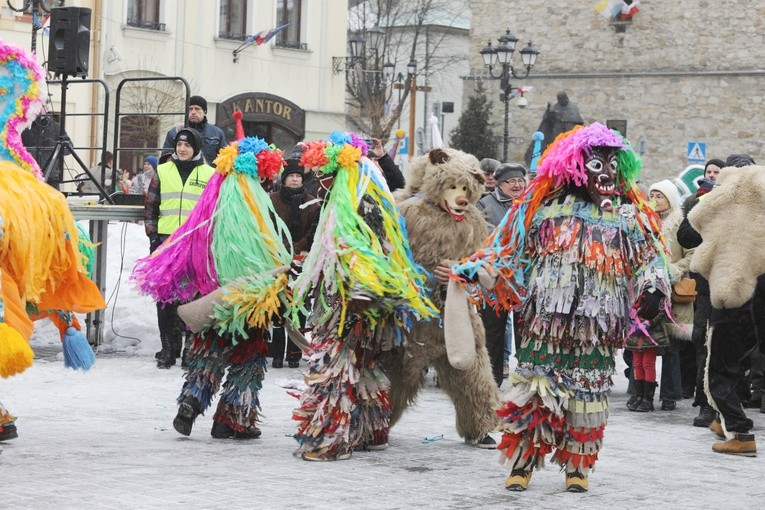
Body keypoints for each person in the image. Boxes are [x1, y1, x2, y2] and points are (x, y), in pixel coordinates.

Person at [452, 123, 671, 492]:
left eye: (612, 166)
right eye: (596, 166)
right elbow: (509, 250)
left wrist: (654, 287)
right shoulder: (544, 211)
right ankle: (521, 464)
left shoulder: (628, 216)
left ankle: (578, 467)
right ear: (574, 168)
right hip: (543, 324)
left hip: (597, 330)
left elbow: (652, 256)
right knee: (533, 394)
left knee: (588, 399)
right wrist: (477, 269)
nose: (606, 175)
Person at [133, 134, 293, 440]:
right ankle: (231, 420)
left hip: (211, 293)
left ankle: (192, 400)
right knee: (250, 354)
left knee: (208, 349)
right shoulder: (256, 211)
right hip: (248, 299)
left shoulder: (210, 209)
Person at [291, 134, 436, 461]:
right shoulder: (357, 201)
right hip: (362, 301)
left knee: (334, 367)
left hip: (350, 304)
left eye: (323, 175)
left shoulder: (356, 204)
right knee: (365, 366)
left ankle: (330, 440)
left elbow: (366, 253)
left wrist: (352, 283)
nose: (319, 182)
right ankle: (372, 432)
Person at [685, 155, 764, 456]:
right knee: (739, 364)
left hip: (732, 296)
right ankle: (725, 419)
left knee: (717, 367)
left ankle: (740, 431)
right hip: (758, 299)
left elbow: (692, 234)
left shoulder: (726, 201)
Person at [145, 128, 215, 369]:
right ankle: (167, 348)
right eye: (179, 145)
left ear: (195, 148)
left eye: (187, 145)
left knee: (191, 298)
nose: (182, 149)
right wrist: (153, 235)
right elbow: (151, 206)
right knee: (164, 297)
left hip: (194, 244)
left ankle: (189, 350)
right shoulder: (162, 171)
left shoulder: (209, 174)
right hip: (166, 242)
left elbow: (213, 210)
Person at [477, 163, 527, 387]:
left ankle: (524, 379)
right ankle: (492, 380)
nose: (517, 185)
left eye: (520, 180)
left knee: (524, 330)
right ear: (499, 183)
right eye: (511, 181)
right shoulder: (485, 203)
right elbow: (479, 234)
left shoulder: (531, 202)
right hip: (494, 280)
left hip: (524, 279)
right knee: (493, 332)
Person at [268, 159, 320, 368]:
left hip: (303, 259)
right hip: (278, 258)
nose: (295, 179)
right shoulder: (272, 200)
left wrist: (298, 249)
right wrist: (282, 248)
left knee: (299, 306)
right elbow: (269, 226)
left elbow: (313, 231)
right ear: (285, 179)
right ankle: (278, 353)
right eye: (291, 176)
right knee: (278, 306)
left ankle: (294, 353)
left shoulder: (313, 203)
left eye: (298, 176)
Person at [162, 95, 227, 166]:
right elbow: (165, 158)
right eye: (190, 109)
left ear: (205, 111)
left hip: (209, 176)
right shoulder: (174, 132)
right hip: (181, 175)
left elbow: (224, 160)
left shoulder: (217, 133)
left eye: (197, 109)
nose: (193, 112)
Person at [20, 107, 69, 189]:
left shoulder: (56, 127)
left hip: (51, 178)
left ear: (47, 108)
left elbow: (69, 148)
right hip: (28, 176)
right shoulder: (24, 127)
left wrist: (54, 145)